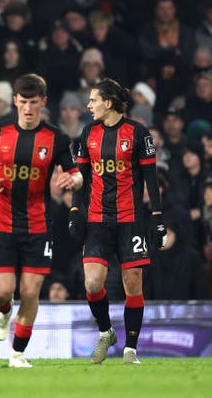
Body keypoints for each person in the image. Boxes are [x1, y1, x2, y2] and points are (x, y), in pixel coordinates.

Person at [0, 73, 82, 368]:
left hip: (38, 226)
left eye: (33, 102)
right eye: (23, 102)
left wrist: (73, 181)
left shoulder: (57, 138)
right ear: (15, 101)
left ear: (43, 102)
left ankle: (17, 354)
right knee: (1, 292)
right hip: (2, 223)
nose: (27, 108)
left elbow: (75, 172)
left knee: (30, 292)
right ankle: (2, 311)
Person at [69, 78, 166, 365]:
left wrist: (158, 218)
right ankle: (106, 331)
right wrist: (76, 211)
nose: (88, 105)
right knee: (92, 283)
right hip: (97, 219)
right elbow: (82, 178)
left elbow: (151, 178)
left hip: (130, 219)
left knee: (132, 284)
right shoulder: (88, 133)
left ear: (108, 102)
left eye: (93, 100)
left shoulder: (138, 133)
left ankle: (130, 349)